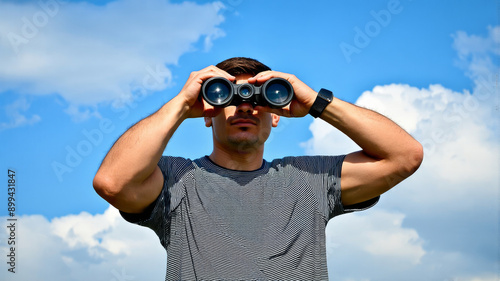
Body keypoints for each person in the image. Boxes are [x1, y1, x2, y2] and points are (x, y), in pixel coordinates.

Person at [93, 57, 423, 280]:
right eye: (229, 97)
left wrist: (315, 103)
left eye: (260, 99)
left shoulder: (310, 179)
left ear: (276, 114)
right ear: (208, 113)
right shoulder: (176, 180)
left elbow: (404, 156)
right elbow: (112, 183)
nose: (245, 106)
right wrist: (180, 104)